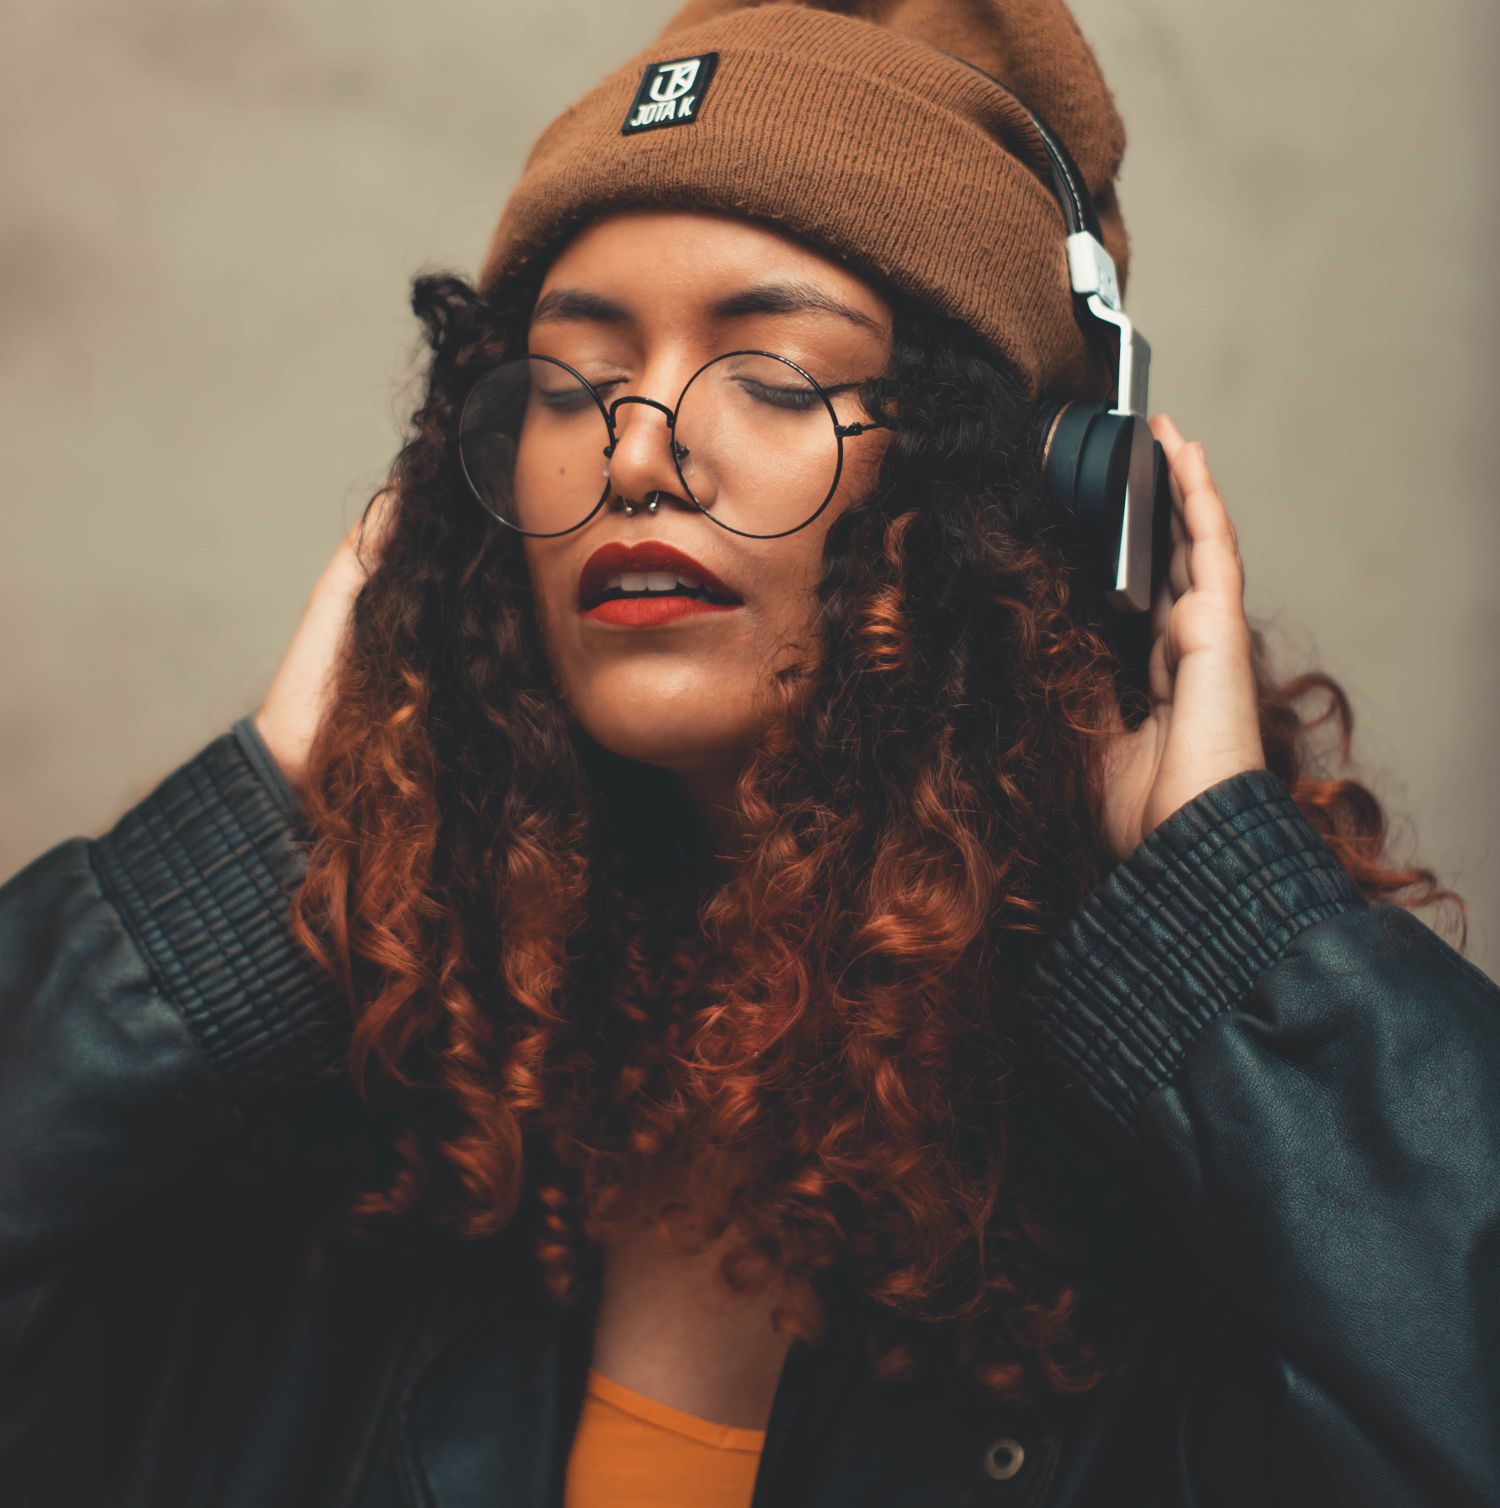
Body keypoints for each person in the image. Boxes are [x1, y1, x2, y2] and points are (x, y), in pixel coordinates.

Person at [2, 2, 1496, 1505]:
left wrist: (1226, 948)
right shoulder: (380, 1115)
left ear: (1029, 503)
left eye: (775, 378)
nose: (635, 455)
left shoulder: (1201, 1194)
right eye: (570, 389)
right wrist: (225, 875)